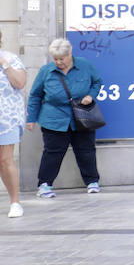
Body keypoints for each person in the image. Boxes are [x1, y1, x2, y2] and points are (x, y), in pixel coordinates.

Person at [26, 38, 103, 197]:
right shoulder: (46, 71)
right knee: (52, 152)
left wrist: (91, 95)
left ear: (70, 54)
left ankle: (92, 181)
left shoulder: (84, 65)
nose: (58, 62)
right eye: (55, 59)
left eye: (62, 58)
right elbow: (35, 95)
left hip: (82, 116)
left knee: (86, 150)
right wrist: (31, 118)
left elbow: (97, 83)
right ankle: (44, 184)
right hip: (54, 119)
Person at [0, 31, 27, 218]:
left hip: (6, 118)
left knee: (4, 160)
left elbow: (20, 82)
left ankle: (15, 202)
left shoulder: (11, 58)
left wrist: (4, 64)